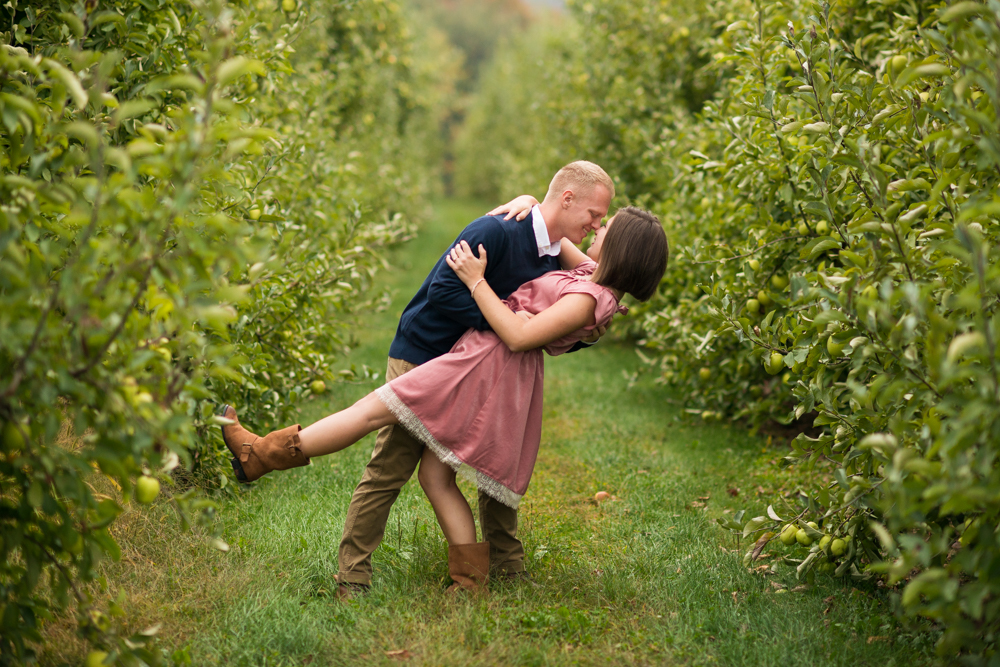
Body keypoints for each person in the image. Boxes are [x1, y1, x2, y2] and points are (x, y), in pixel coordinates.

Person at [219, 205, 668, 593]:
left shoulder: (589, 300)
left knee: (371, 411)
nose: (597, 227)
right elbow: (548, 230)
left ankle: (261, 454)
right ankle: (470, 583)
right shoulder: (595, 281)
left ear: (621, 249)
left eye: (607, 227)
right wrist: (530, 200)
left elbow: (517, 335)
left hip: (481, 367)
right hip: (489, 369)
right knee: (435, 477)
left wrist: (476, 281)